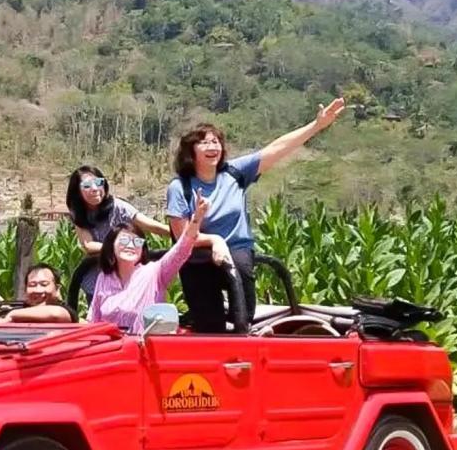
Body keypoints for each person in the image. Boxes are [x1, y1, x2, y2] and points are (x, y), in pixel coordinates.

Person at [166, 98, 346, 333]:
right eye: (204, 143)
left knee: (244, 307)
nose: (212, 147)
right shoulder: (180, 187)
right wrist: (213, 240)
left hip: (236, 251)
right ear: (191, 151)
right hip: (197, 257)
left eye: (216, 141)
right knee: (209, 326)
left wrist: (316, 125)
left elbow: (276, 149)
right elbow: (182, 237)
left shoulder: (235, 173)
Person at [90, 193, 209, 334]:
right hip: (110, 350)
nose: (130, 245)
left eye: (137, 242)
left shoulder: (154, 272)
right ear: (111, 247)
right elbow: (93, 321)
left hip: (143, 349)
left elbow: (181, 250)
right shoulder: (104, 278)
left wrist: (196, 219)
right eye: (124, 241)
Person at [66, 165, 171, 304]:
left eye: (98, 183)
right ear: (77, 191)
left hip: (128, 273)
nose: (94, 189)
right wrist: (118, 246)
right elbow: (89, 245)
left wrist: (181, 233)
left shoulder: (118, 206)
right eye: (86, 186)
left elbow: (148, 224)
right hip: (98, 276)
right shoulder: (78, 214)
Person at [0, 264, 73, 323]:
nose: (38, 290)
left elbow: (56, 314)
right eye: (32, 285)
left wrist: (13, 315)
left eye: (44, 284)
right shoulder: (16, 308)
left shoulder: (65, 310)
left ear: (57, 289)